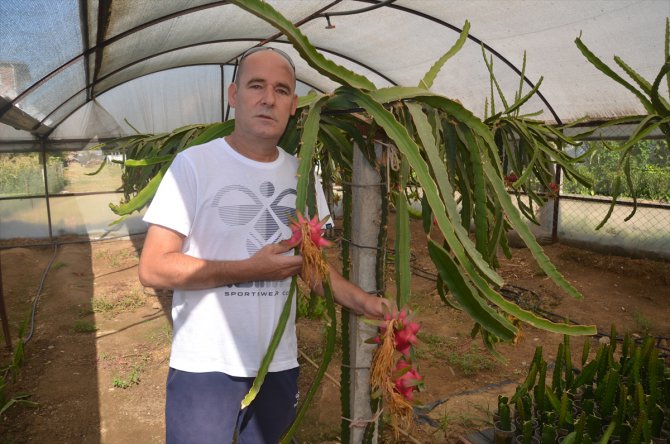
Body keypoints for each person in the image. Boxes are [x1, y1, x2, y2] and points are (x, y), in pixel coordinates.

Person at [138, 46, 388, 444]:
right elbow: (153, 268)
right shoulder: (193, 165)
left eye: (282, 90)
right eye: (257, 86)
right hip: (205, 365)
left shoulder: (302, 176)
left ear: (293, 107)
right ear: (234, 95)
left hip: (277, 362)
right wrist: (250, 269)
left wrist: (365, 303)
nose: (268, 98)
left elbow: (313, 268)